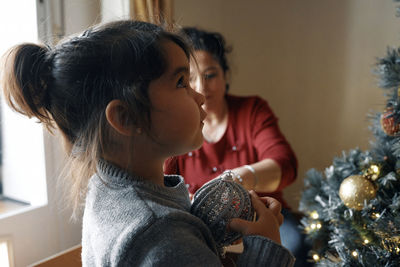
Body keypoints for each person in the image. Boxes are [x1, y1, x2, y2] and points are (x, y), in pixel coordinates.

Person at [1, 20, 295, 266]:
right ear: (126, 118)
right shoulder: (163, 234)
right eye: (182, 81)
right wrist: (266, 247)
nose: (200, 95)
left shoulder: (106, 188)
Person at [165, 27, 311, 266]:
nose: (201, 87)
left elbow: (285, 165)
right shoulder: (174, 124)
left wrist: (237, 179)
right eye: (190, 79)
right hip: (204, 229)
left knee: (295, 245)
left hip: (267, 215)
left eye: (210, 75)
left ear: (226, 76)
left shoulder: (252, 110)